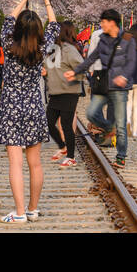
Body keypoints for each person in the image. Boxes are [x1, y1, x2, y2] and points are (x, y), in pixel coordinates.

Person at [0, 0, 59, 224]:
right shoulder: (43, 48)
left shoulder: (8, 45)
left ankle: (18, 213)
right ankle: (31, 209)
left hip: (10, 108)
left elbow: (8, 19)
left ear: (18, 28)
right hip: (34, 108)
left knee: (15, 165)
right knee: (35, 163)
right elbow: (54, 25)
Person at [65, 9, 135, 168]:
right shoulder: (102, 39)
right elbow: (91, 58)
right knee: (91, 113)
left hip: (119, 88)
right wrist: (76, 71)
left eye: (103, 22)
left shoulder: (127, 39)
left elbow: (132, 62)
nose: (101, 24)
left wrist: (124, 76)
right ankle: (109, 128)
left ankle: (121, 156)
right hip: (104, 83)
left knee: (122, 124)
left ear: (112, 23)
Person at [45, 21, 84, 168]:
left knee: (66, 125)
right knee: (48, 122)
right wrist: (45, 70)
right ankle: (62, 147)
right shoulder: (54, 48)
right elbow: (49, 65)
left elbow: (82, 67)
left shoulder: (70, 49)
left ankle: (71, 156)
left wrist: (75, 74)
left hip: (69, 91)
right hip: (56, 92)